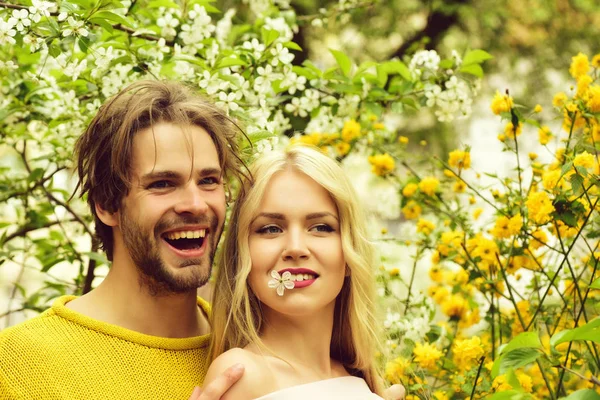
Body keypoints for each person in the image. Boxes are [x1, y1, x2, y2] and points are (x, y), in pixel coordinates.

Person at [0, 80, 247, 399]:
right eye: (162, 183)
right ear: (106, 204)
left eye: (209, 180)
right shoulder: (18, 366)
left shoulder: (248, 344)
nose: (196, 204)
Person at [203, 145, 388, 399]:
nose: (296, 248)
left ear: (349, 254)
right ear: (241, 254)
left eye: (321, 227)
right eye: (270, 229)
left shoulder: (360, 380)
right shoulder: (242, 374)